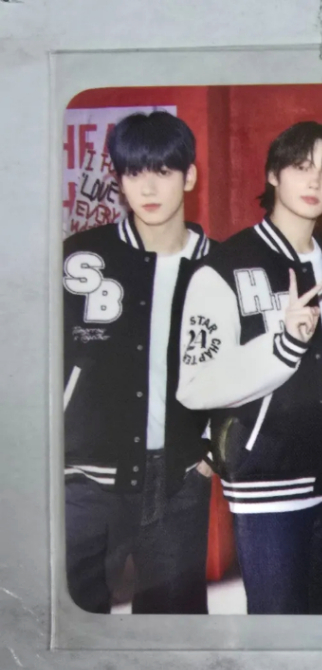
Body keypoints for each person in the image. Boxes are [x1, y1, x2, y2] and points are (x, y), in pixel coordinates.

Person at [177, 121, 322, 615]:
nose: (314, 181)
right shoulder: (224, 266)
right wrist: (281, 347)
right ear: (273, 175)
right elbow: (194, 385)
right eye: (301, 167)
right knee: (279, 642)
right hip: (266, 492)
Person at [63, 110, 213, 614]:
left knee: (174, 635)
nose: (147, 188)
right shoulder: (80, 257)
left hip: (179, 479)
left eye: (163, 171)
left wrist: (211, 456)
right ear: (120, 180)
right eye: (133, 173)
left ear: (189, 176)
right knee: (72, 629)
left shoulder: (220, 265)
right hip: (87, 480)